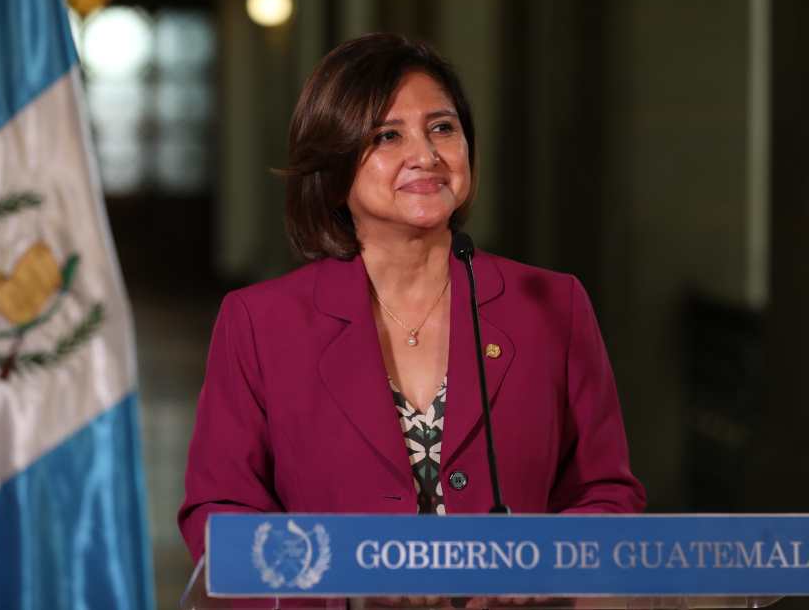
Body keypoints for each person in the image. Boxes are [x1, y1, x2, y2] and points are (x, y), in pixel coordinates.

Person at [178, 33, 645, 563]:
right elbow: (220, 511)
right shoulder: (261, 323)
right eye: (386, 137)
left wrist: (541, 566)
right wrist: (344, 588)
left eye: (442, 128)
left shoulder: (552, 304)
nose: (425, 156)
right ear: (333, 173)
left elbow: (607, 494)